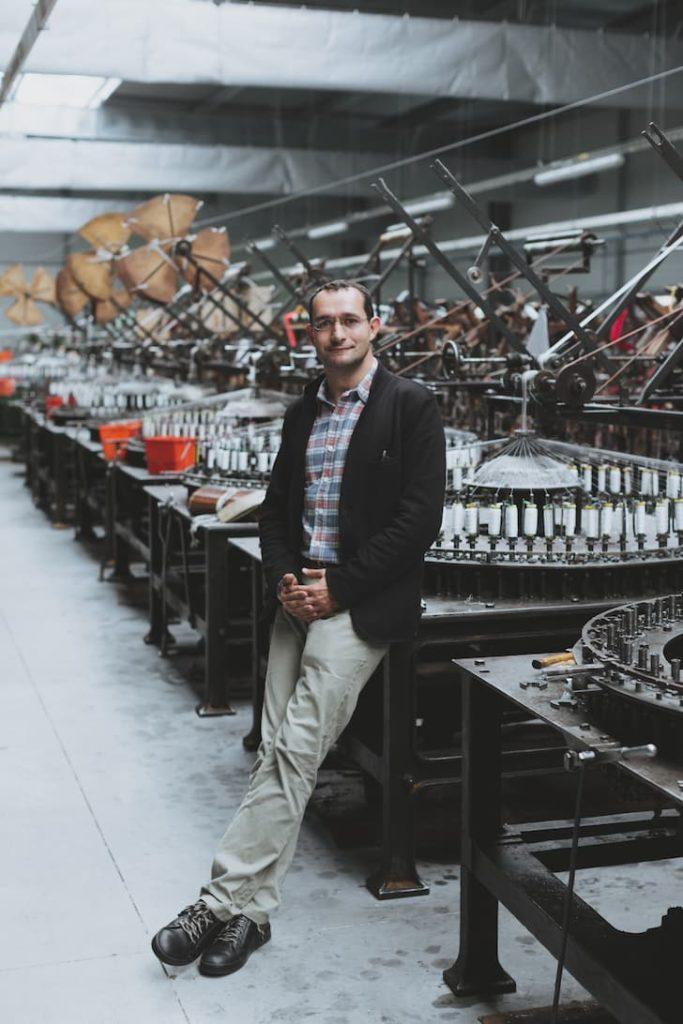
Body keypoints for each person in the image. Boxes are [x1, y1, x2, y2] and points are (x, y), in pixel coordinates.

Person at [152, 279, 446, 977]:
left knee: (296, 750)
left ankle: (216, 899)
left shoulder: (411, 407)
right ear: (307, 335)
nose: (337, 332)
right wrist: (286, 579)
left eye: (349, 320)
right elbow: (276, 510)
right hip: (297, 597)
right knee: (275, 750)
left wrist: (337, 587)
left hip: (359, 604)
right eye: (323, 323)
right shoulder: (300, 413)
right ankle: (252, 917)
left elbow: (417, 520)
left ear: (373, 326)